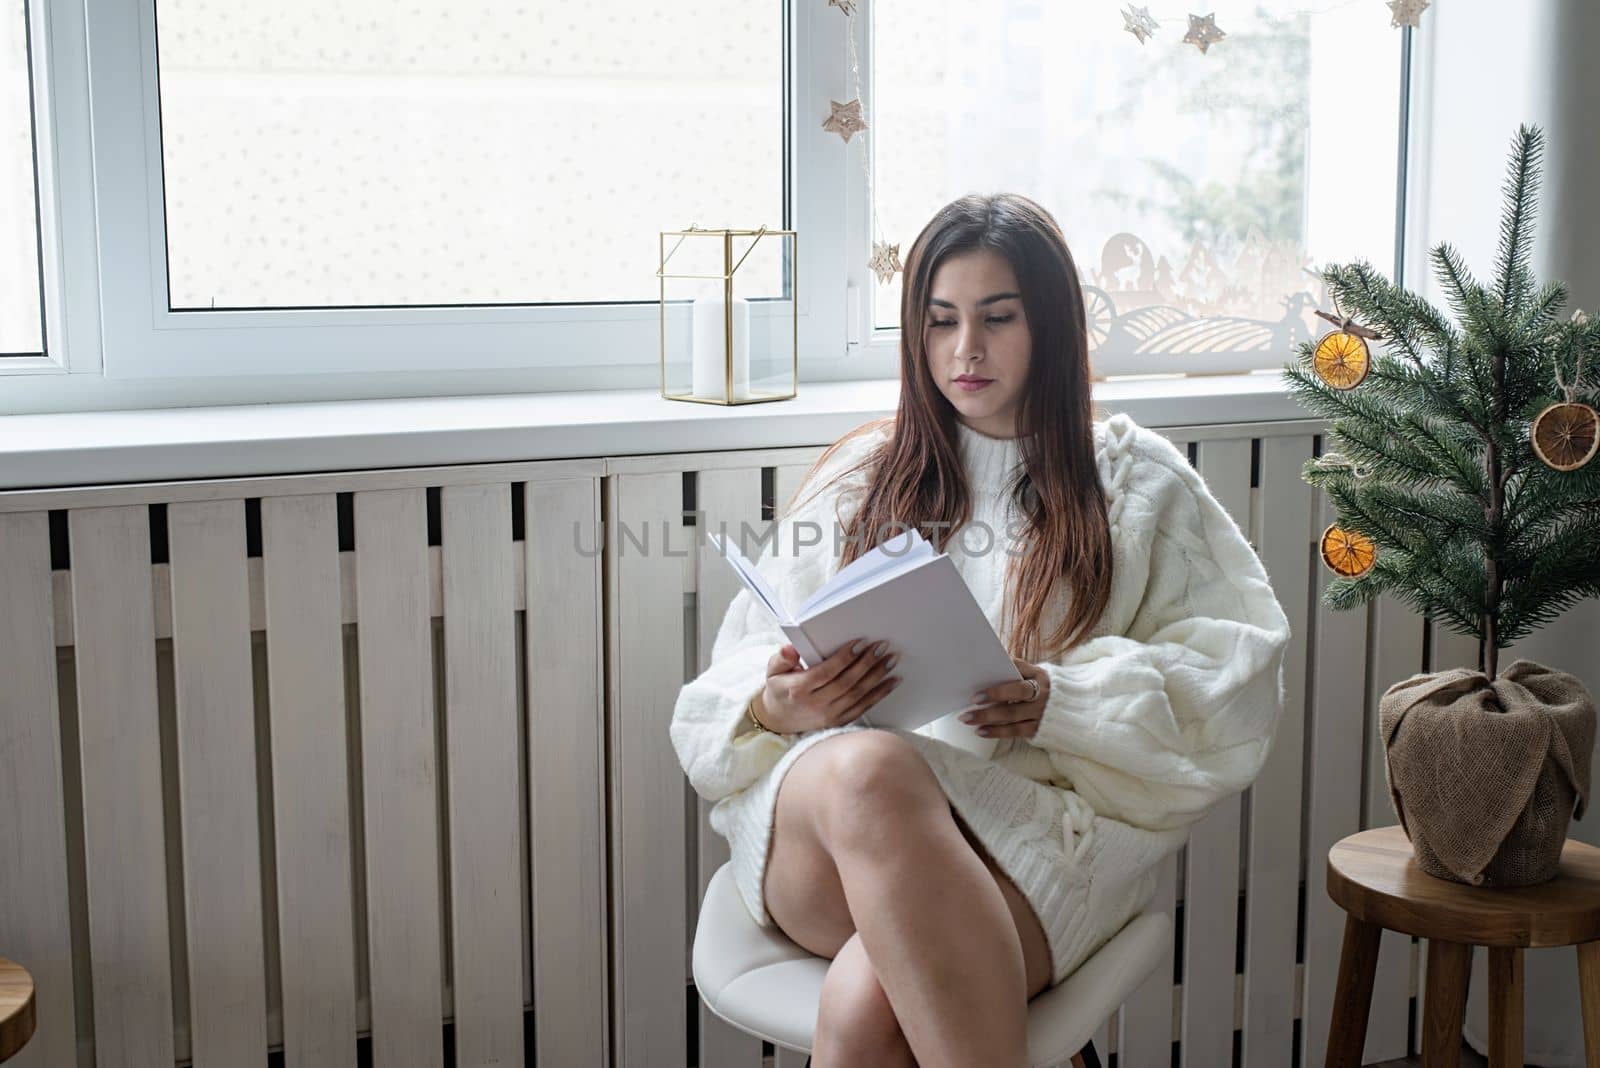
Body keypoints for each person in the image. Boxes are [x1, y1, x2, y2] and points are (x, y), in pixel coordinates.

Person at [668, 193, 1292, 1068]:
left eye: (997, 318)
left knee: (868, 1006)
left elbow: (1235, 689)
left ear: (1051, 326)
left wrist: (1060, 703)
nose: (965, 350)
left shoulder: (1137, 485)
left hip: (1030, 842)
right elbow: (716, 698)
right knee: (871, 770)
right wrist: (778, 708)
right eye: (941, 321)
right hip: (833, 837)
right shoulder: (861, 478)